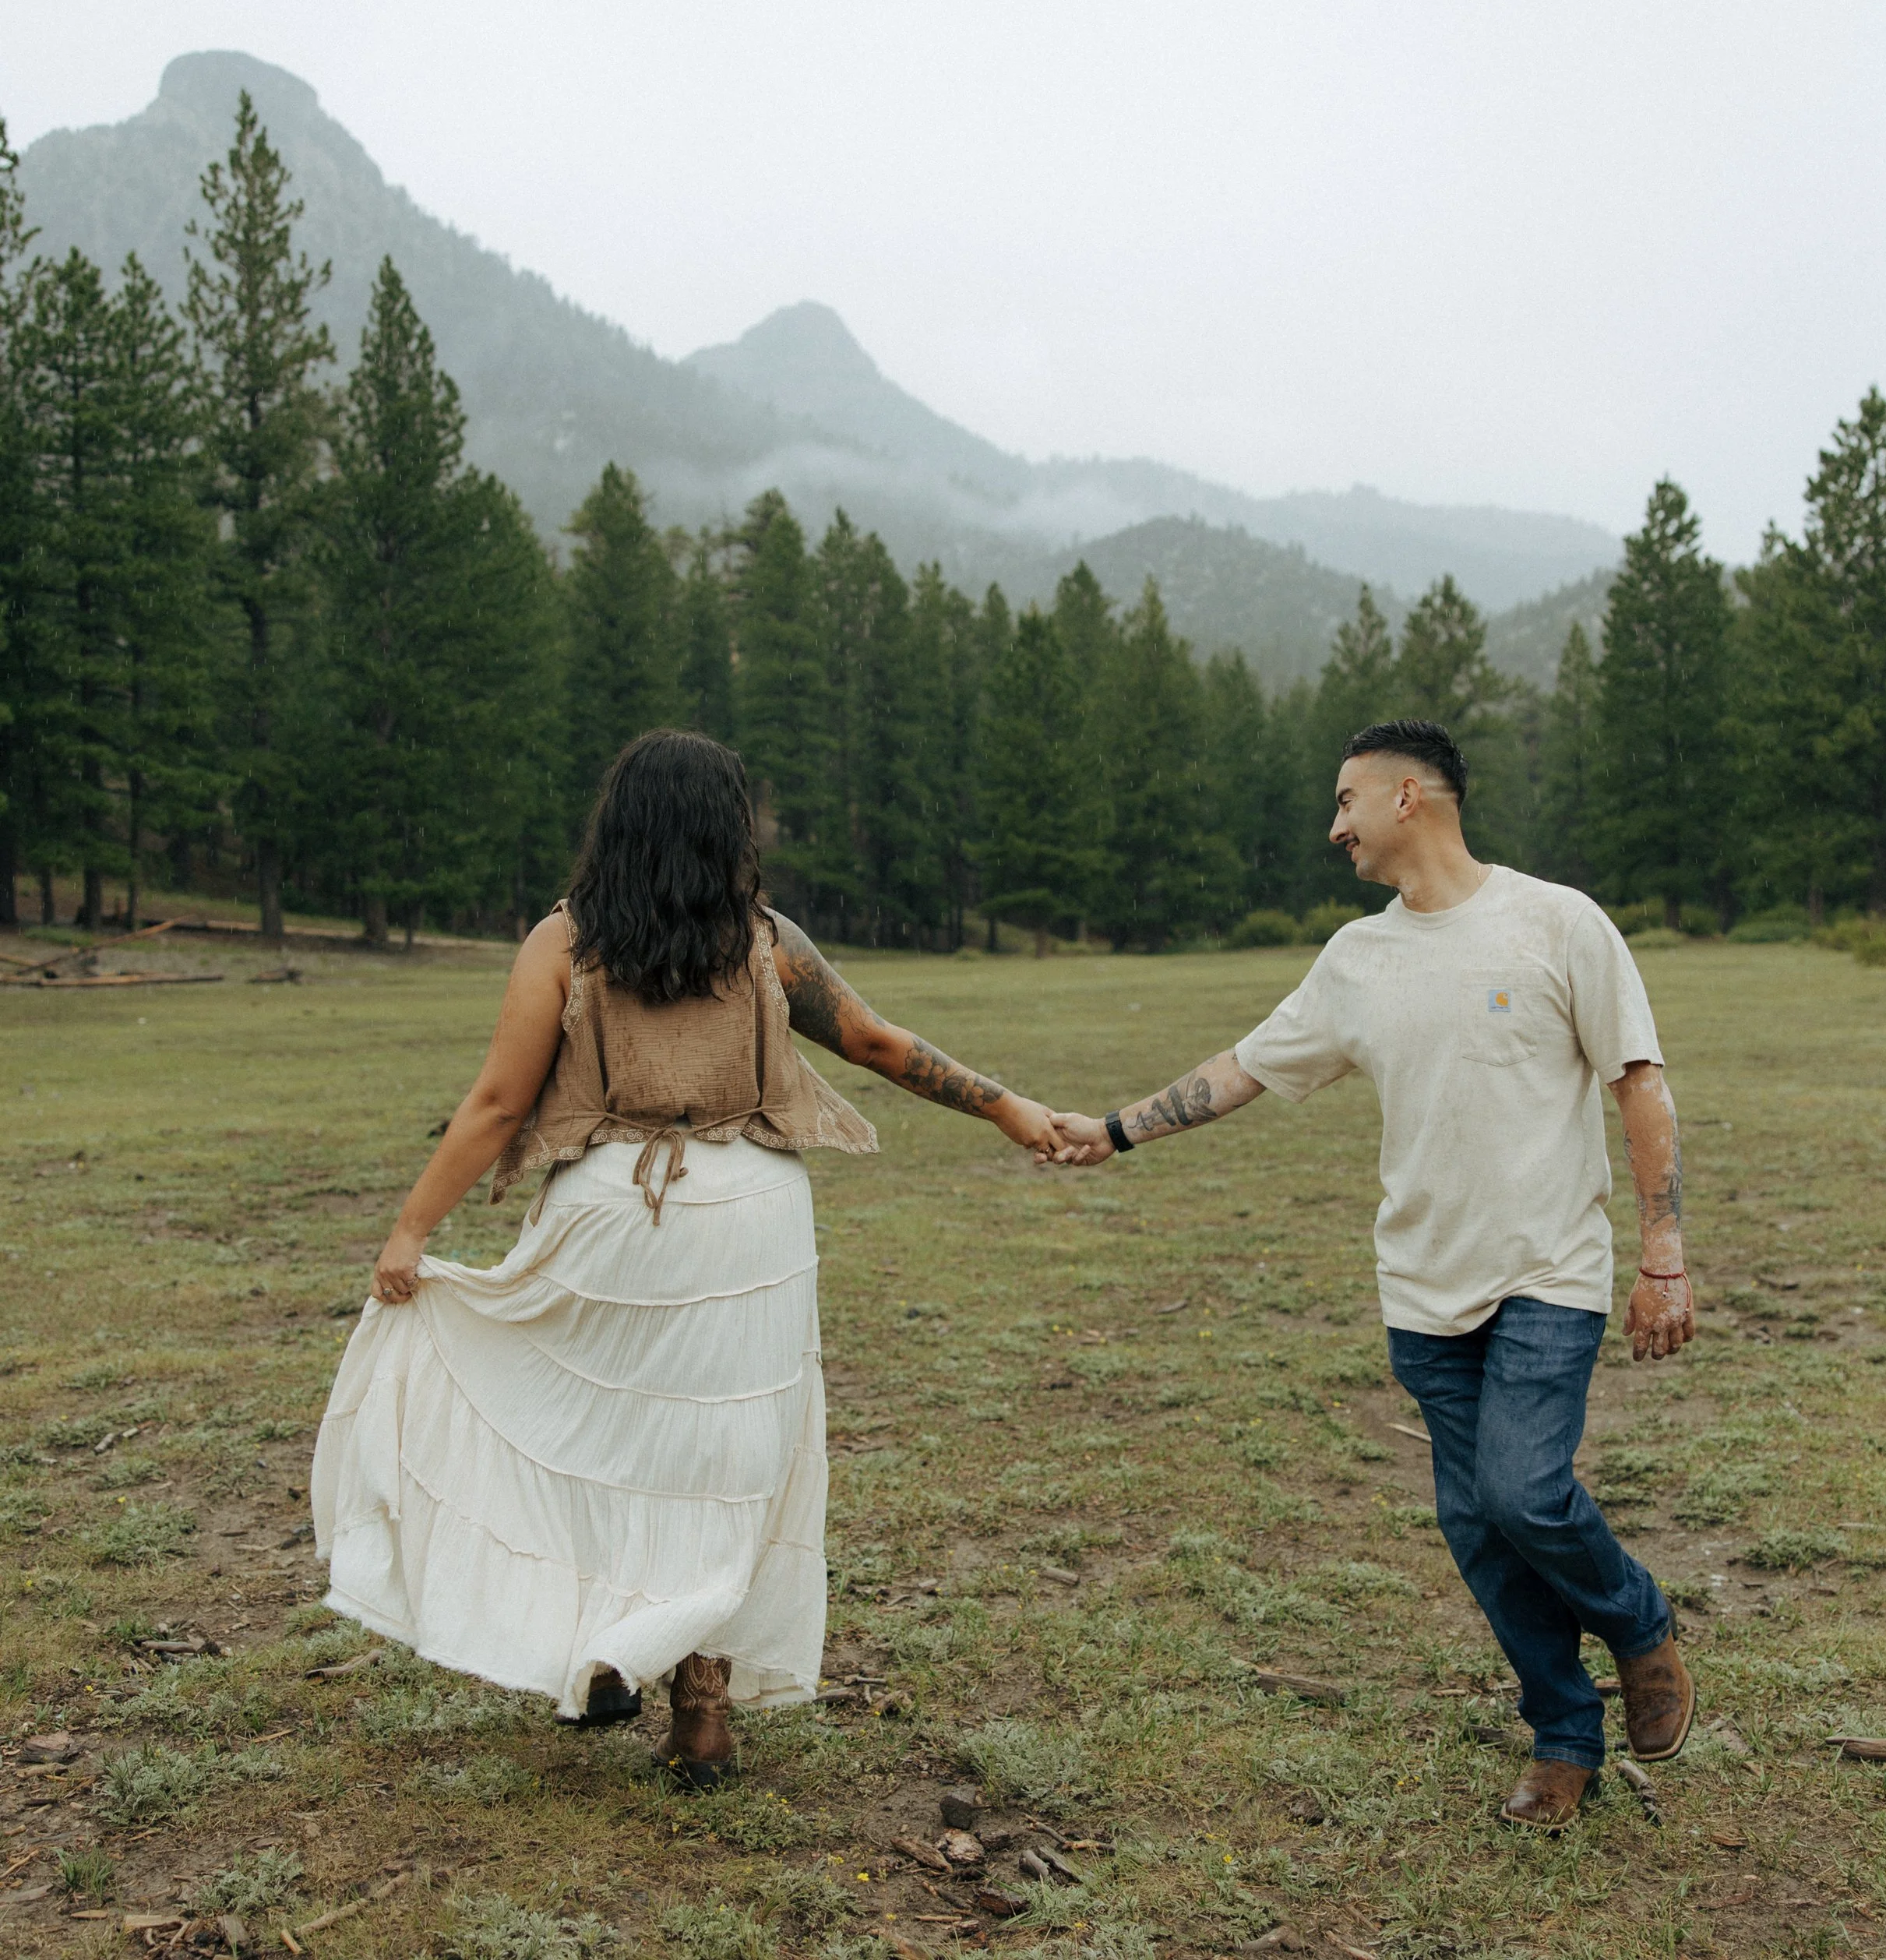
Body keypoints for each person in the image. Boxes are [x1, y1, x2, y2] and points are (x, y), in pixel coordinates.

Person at [313, 729, 1062, 1782]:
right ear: (727, 828)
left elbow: (496, 1104)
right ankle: (700, 1709)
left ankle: (613, 1655)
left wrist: (412, 1230)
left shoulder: (566, 942)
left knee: (605, 1440)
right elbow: (882, 1045)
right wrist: (1011, 1109)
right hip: (751, 1222)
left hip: (615, 1214)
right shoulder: (766, 942)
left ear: (615, 822)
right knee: (722, 1466)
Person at [1051, 718, 1695, 1831]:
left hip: (1549, 1270)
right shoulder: (1358, 959)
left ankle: (1638, 1621)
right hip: (1422, 1292)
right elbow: (1248, 1067)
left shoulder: (1557, 923)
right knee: (1479, 1531)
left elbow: (1639, 1082)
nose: (1333, 826)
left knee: (1523, 1491)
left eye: (1347, 801)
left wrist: (1664, 1254)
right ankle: (1562, 1732)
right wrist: (1113, 1131)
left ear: (1411, 798)